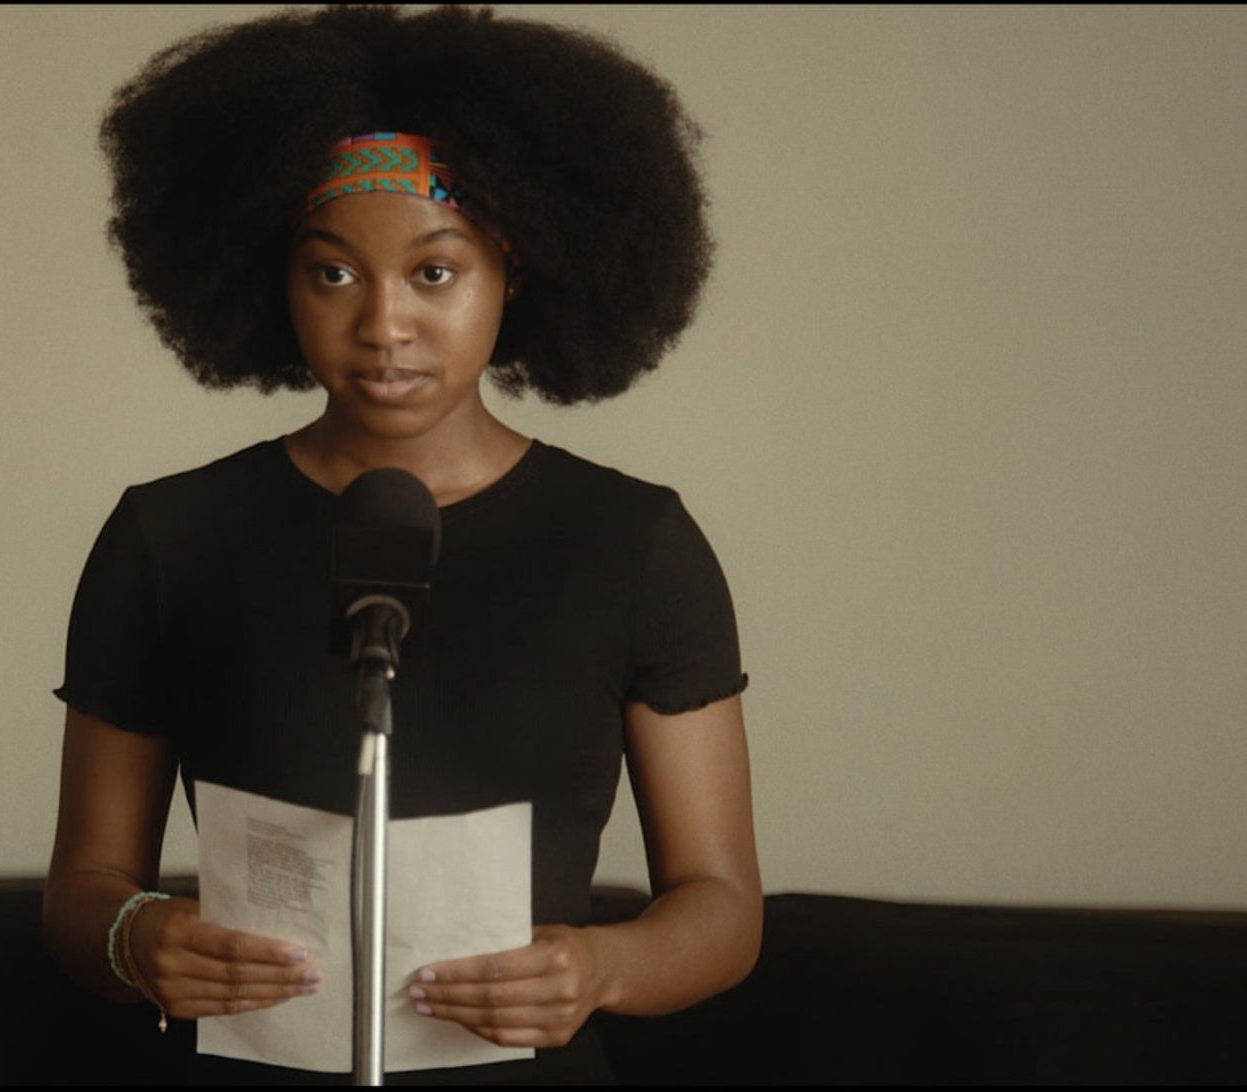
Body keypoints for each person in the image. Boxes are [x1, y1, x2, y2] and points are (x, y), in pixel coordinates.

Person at [43, 5, 759, 1083]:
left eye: (435, 273)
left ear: (514, 270)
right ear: (271, 277)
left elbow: (723, 907)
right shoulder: (169, 536)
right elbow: (85, 884)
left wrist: (600, 968)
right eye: (332, 272)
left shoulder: (630, 543)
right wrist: (133, 941)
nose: (382, 325)